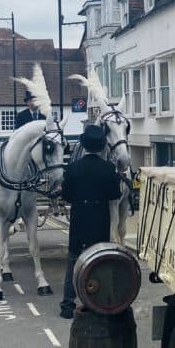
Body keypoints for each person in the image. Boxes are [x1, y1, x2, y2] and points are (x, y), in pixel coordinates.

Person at [59, 124, 122, 319]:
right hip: (100, 219)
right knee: (99, 262)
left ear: (84, 145)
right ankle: (100, 302)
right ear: (103, 146)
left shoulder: (72, 168)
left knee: (73, 260)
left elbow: (66, 196)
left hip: (79, 218)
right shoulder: (108, 169)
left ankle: (67, 305)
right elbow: (115, 195)